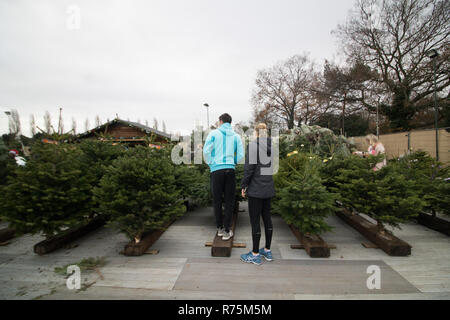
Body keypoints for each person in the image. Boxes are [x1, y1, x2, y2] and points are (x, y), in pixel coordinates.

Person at [203, 113, 244, 241]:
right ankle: (227, 230)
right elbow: (241, 155)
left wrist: (212, 164)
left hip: (216, 171)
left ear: (220, 121)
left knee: (217, 200)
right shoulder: (236, 136)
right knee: (229, 201)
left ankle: (219, 228)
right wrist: (233, 162)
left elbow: (206, 151)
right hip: (230, 170)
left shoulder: (213, 134)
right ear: (230, 123)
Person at [240, 123, 275, 265]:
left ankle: (254, 254)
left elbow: (249, 169)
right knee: (267, 219)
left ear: (256, 133)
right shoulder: (272, 146)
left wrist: (244, 185)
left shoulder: (254, 146)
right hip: (268, 188)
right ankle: (267, 250)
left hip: (256, 189)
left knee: (255, 221)